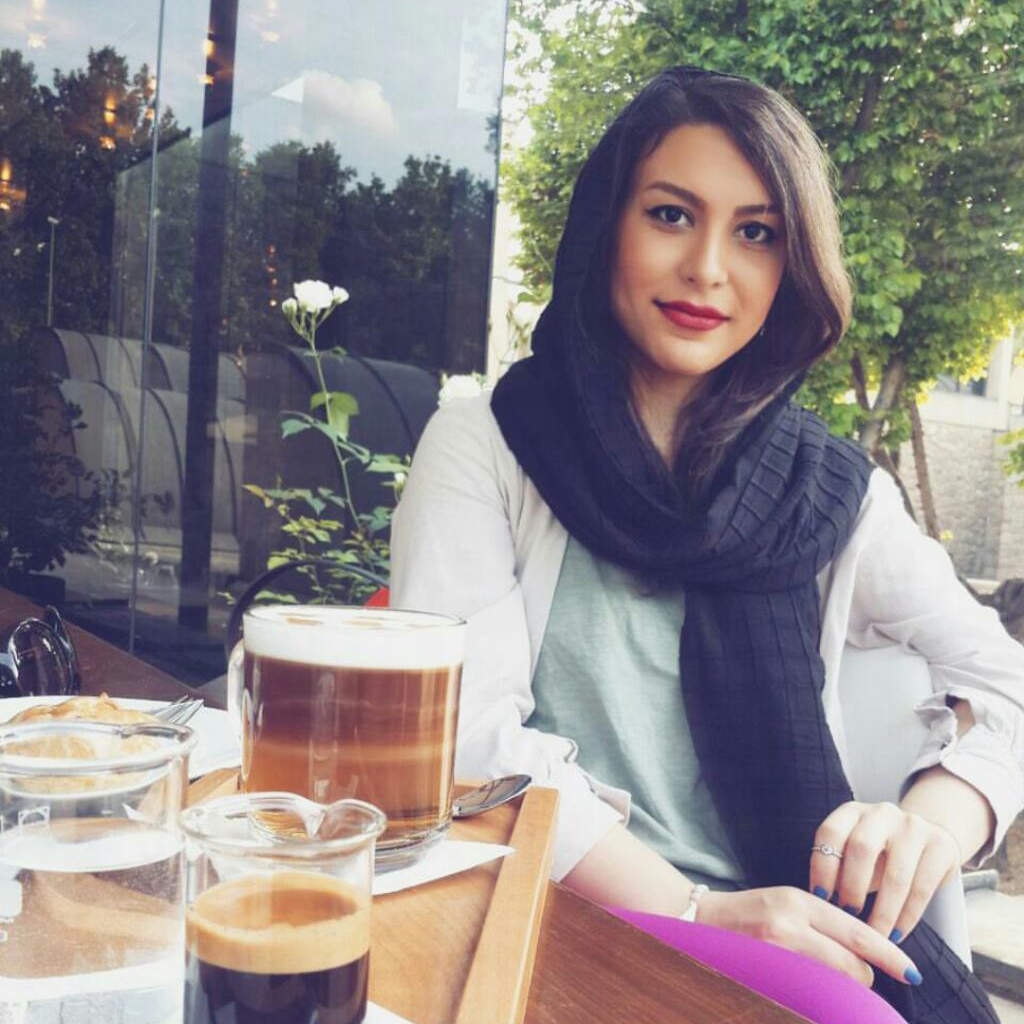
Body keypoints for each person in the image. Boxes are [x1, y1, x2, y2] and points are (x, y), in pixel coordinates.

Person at [390, 66, 1024, 1024]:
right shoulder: (489, 443)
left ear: (793, 266)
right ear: (606, 227)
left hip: (798, 930)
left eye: (756, 232)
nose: (708, 269)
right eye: (671, 215)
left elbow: (1007, 684)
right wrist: (699, 913)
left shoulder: (830, 496)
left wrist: (925, 822)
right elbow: (467, 740)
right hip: (557, 915)